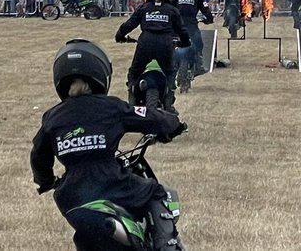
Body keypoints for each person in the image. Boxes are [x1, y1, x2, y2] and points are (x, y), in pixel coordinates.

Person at [31, 39, 187, 251]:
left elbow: (38, 156)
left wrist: (46, 181)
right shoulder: (111, 107)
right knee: (157, 192)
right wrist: (174, 124)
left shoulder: (51, 117)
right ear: (99, 72)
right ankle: (167, 246)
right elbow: (151, 117)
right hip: (111, 183)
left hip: (71, 197)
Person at [115, 0, 190, 109]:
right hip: (165, 44)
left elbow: (129, 24)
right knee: (170, 72)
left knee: (134, 72)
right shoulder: (172, 10)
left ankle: (132, 99)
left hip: (145, 43)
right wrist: (185, 42)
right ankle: (169, 100)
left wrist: (119, 36)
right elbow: (182, 30)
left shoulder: (144, 7)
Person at [173, 0, 213, 77]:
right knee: (199, 44)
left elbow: (169, 9)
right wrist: (208, 20)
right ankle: (199, 65)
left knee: (170, 45)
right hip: (191, 27)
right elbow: (206, 11)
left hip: (177, 27)